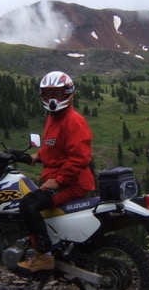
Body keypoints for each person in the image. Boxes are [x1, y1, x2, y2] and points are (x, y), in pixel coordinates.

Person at [16, 71, 96, 273]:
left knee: (28, 205)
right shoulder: (53, 118)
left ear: (68, 94)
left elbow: (80, 158)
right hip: (63, 179)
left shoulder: (73, 121)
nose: (53, 99)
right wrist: (38, 155)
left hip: (72, 183)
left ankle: (44, 256)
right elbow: (54, 147)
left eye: (58, 94)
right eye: (48, 94)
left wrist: (59, 181)